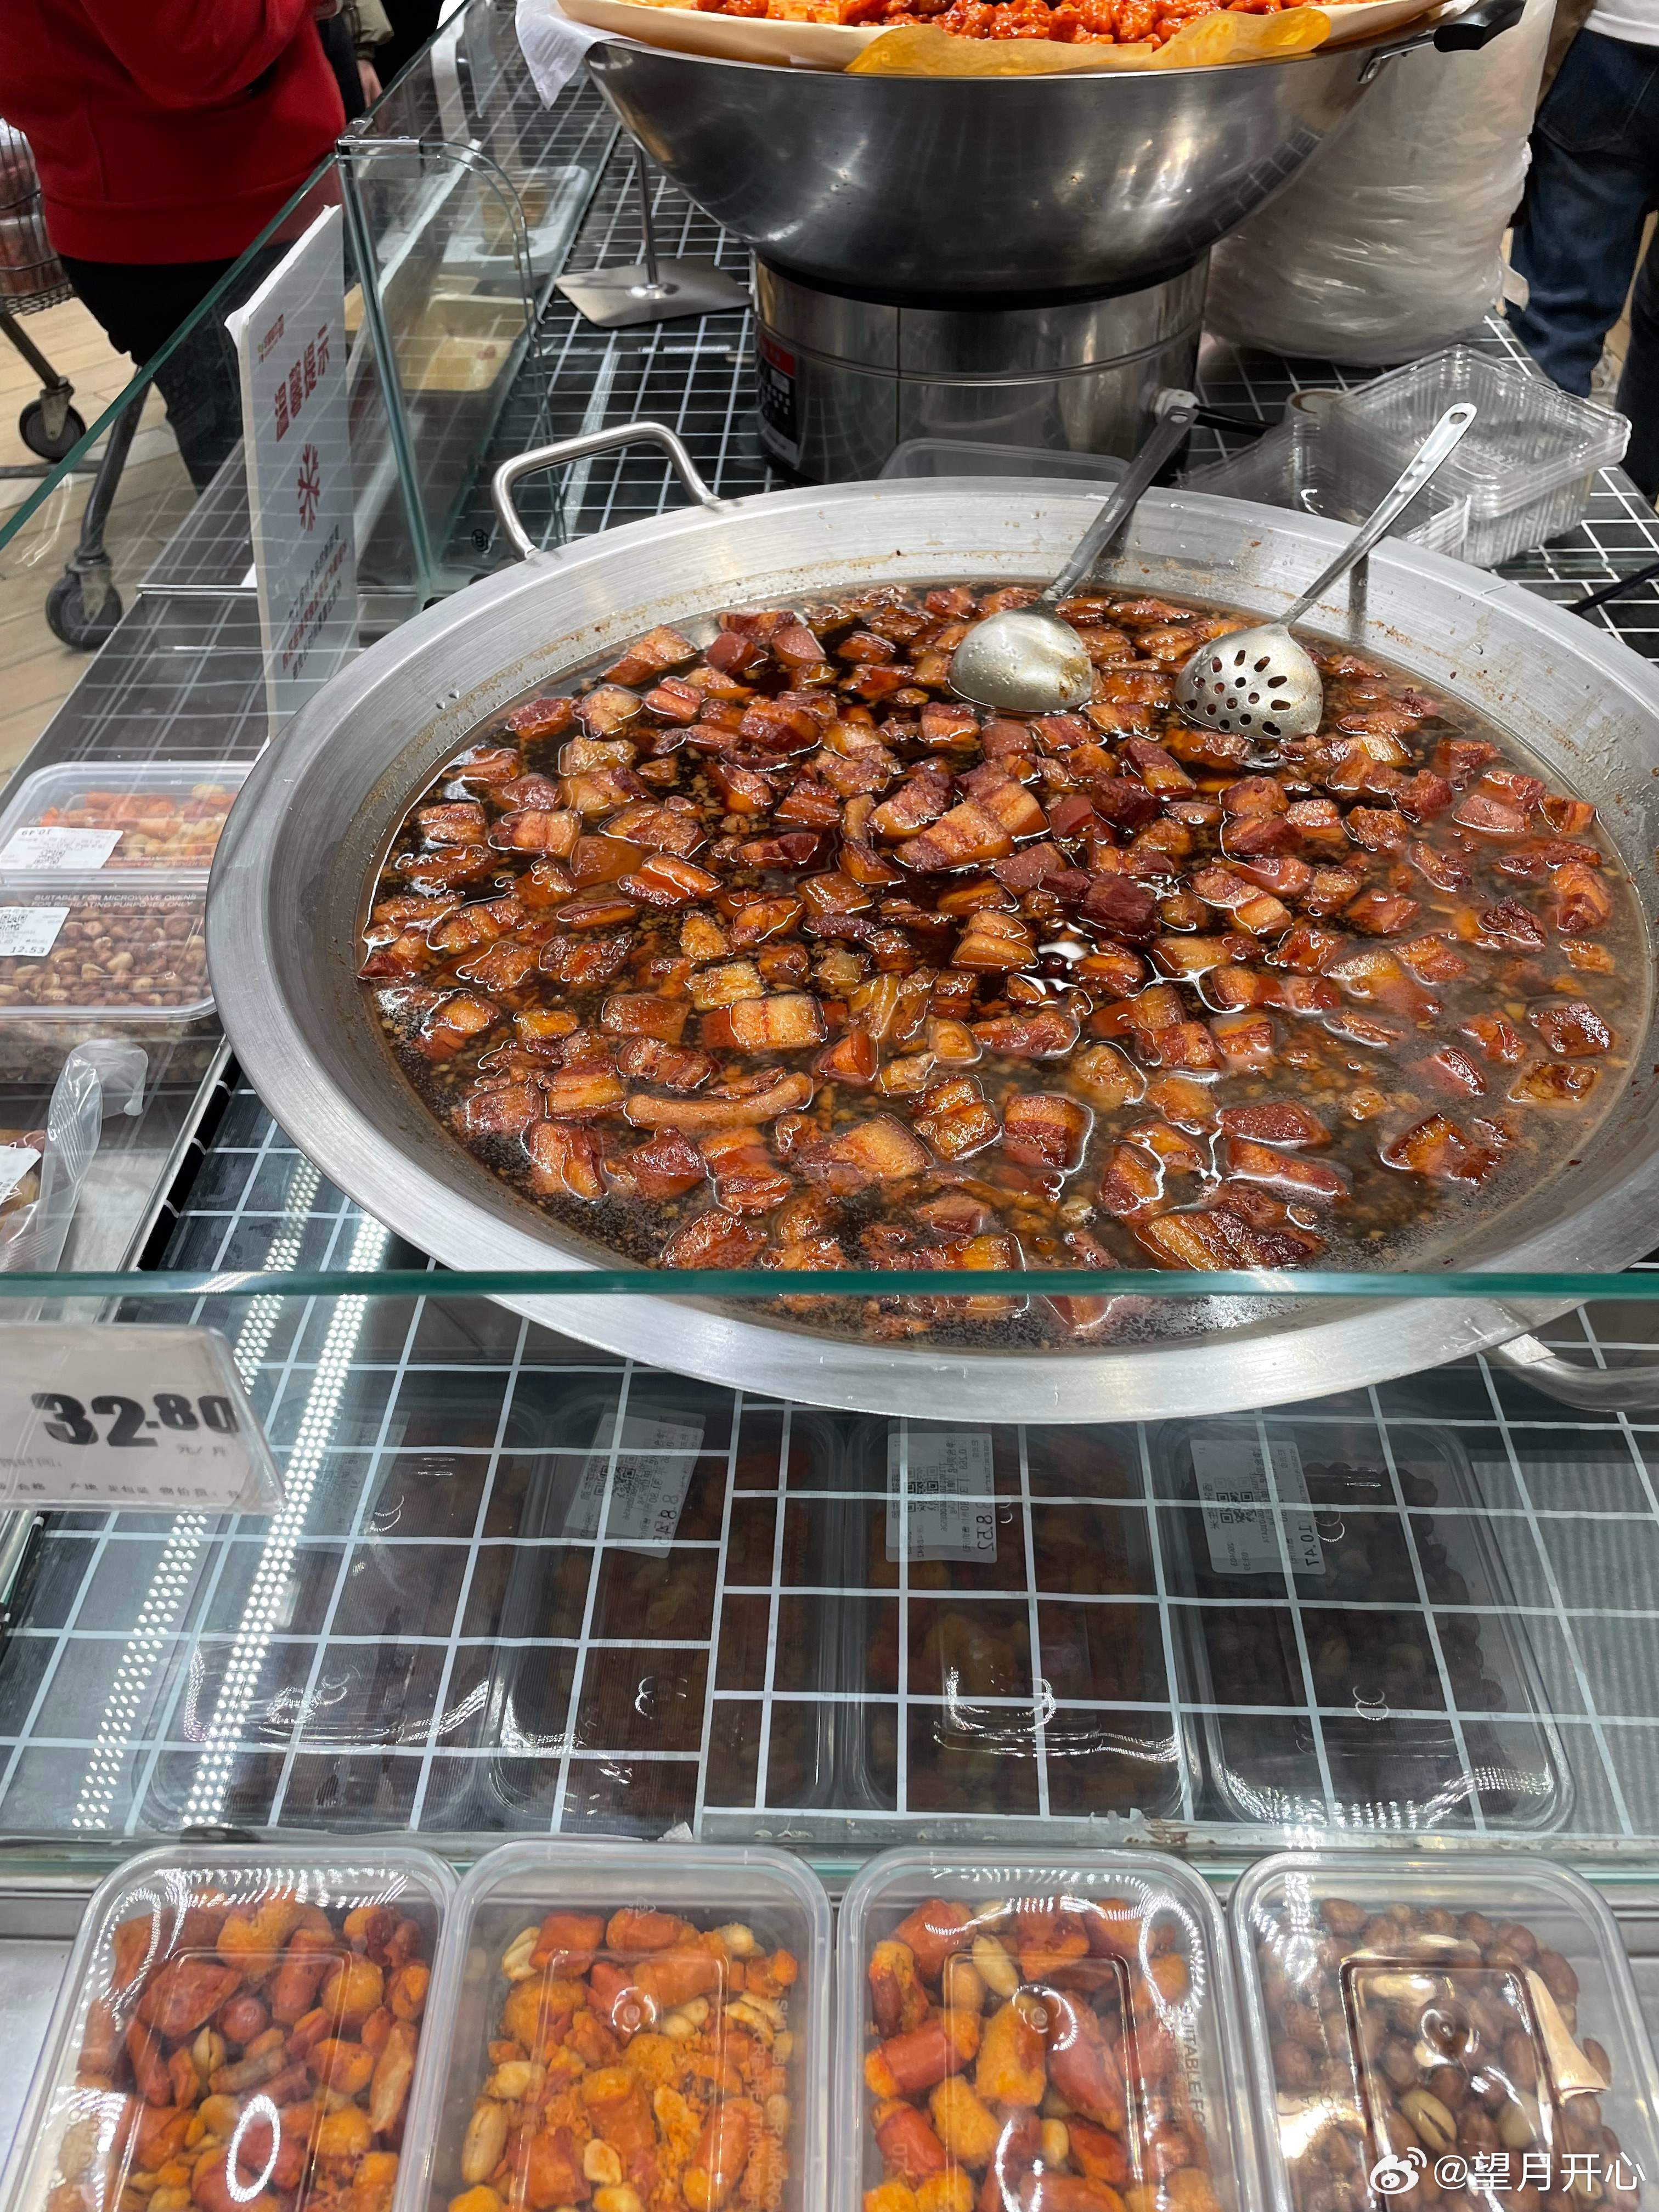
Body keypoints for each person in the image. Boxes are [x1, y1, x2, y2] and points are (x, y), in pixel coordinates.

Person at [0, 0, 347, 489]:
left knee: (308, 475)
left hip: (218, 201)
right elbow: (192, 50)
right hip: (203, 218)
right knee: (276, 498)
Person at [1506, 3, 1659, 499]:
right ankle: (1630, 509)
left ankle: (1524, 513)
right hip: (1621, 49)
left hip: (1622, 47)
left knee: (1558, 317)